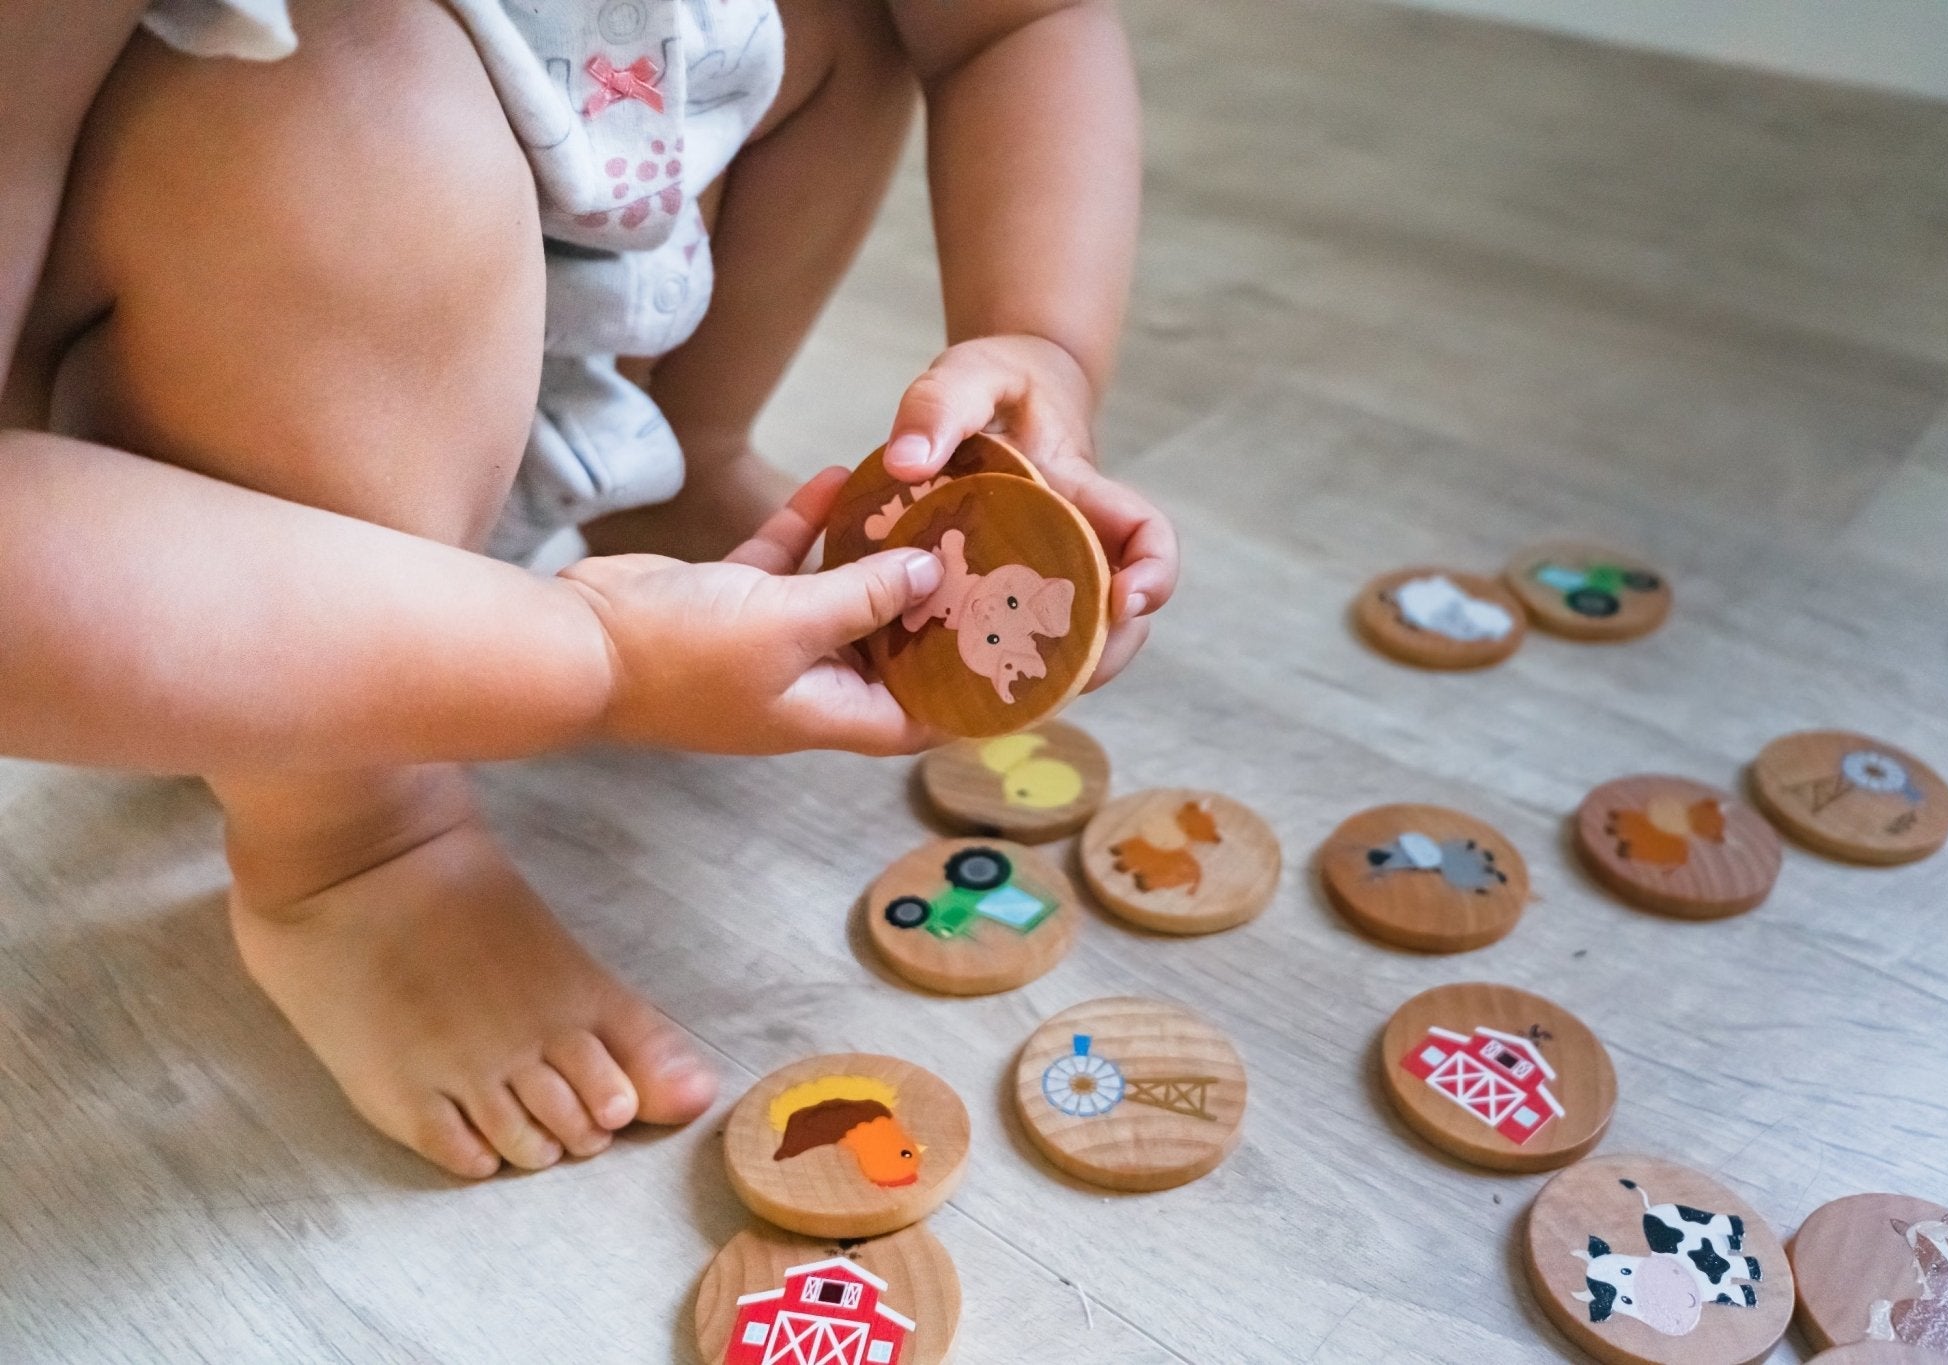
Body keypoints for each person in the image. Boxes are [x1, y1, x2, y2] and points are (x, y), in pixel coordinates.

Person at [0, 0, 1176, 1178]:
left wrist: (1041, 346)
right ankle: (351, 836)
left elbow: (1010, 25)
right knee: (356, 91)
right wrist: (595, 658)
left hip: (544, 255)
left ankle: (677, 461)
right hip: (205, 517)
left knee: (841, 16)